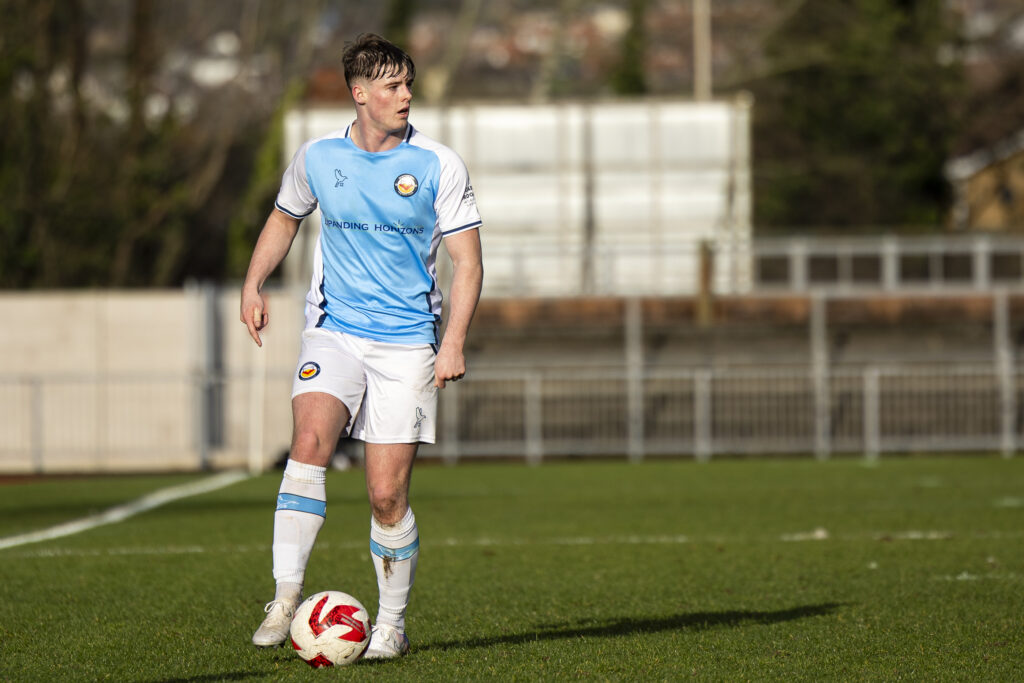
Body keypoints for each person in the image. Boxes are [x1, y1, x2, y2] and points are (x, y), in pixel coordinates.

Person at [239, 33, 483, 659]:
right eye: (394, 85)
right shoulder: (319, 157)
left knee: (385, 495)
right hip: (335, 328)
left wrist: (452, 341)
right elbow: (284, 216)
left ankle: (392, 624)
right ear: (361, 94)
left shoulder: (438, 164)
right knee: (310, 443)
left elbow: (468, 262)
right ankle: (286, 595)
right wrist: (253, 281)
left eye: (408, 83)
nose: (407, 94)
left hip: (407, 343)